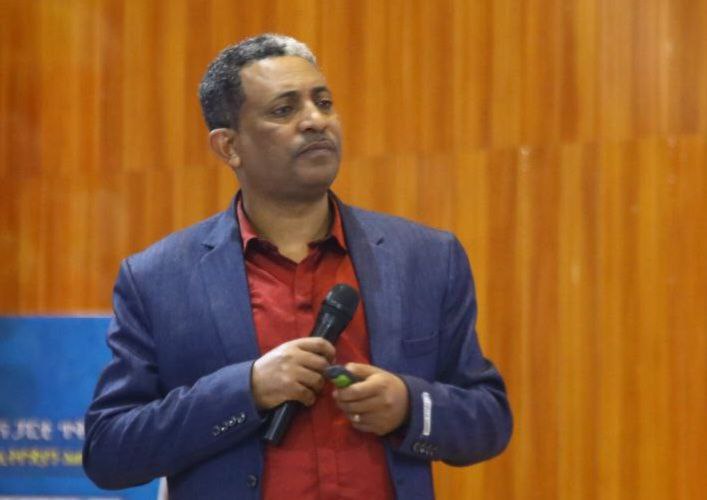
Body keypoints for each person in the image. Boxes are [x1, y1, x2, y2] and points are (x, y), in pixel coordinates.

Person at [83, 33, 512, 499]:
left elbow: (488, 419)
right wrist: (246, 390)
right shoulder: (157, 279)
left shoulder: (425, 257)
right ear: (229, 147)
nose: (315, 121)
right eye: (284, 110)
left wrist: (410, 406)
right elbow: (110, 451)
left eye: (323, 103)